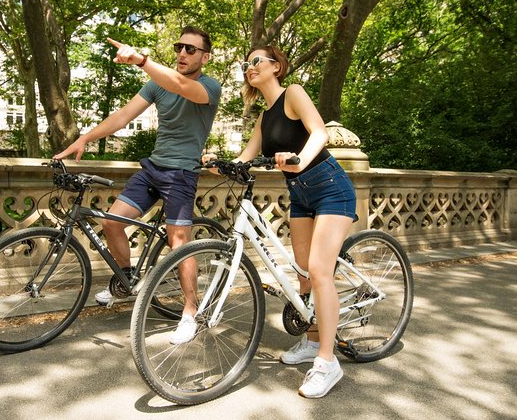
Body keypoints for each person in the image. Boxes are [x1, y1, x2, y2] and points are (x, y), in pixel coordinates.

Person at [203, 46, 357, 398]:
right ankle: (312, 337)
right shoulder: (263, 117)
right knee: (303, 273)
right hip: (301, 195)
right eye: (246, 64)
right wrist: (218, 163)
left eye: (256, 61)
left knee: (319, 271)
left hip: (331, 188)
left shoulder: (294, 93)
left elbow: (320, 132)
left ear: (277, 66)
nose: (249, 67)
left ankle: (327, 361)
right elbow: (245, 158)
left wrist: (300, 158)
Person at [54, 26, 221, 345]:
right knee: (111, 222)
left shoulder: (209, 87)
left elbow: (183, 87)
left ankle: (191, 312)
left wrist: (142, 59)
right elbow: (122, 116)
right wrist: (85, 138)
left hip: (182, 173)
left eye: (191, 49)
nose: (182, 53)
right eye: (179, 47)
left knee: (180, 241)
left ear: (205, 57)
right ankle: (127, 279)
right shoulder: (158, 84)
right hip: (153, 168)